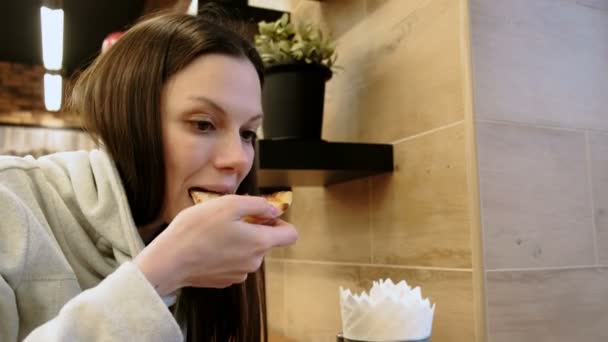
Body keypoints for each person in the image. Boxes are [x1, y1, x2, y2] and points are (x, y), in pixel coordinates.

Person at [0, 10, 298, 342]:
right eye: (203, 124)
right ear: (128, 125)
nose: (239, 160)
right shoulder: (10, 202)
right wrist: (160, 274)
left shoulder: (217, 264)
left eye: (247, 133)